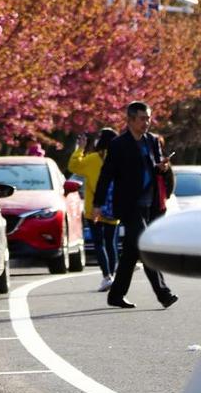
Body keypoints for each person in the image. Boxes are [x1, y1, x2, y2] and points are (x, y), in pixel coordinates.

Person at [92, 100, 178, 310]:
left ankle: (116, 295)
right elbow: (106, 175)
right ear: (130, 120)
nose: (146, 122)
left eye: (148, 118)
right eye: (142, 118)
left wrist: (163, 168)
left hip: (150, 204)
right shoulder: (119, 144)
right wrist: (98, 204)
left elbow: (155, 169)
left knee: (132, 252)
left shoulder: (152, 141)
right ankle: (163, 294)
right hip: (129, 205)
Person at [68, 128, 120, 291]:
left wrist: (80, 149)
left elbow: (73, 166)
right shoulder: (121, 159)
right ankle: (113, 274)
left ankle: (107, 276)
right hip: (114, 207)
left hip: (94, 208)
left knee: (99, 243)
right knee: (111, 243)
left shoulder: (92, 159)